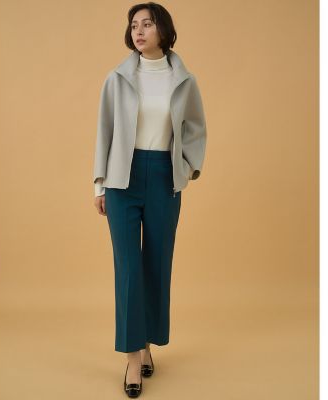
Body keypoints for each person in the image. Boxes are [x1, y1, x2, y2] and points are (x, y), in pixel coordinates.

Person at [93, 2, 207, 397]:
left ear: (164, 30)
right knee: (128, 268)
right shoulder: (117, 79)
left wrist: (186, 168)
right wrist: (99, 184)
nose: (138, 31)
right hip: (121, 180)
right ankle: (132, 358)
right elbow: (105, 131)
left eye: (147, 24)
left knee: (157, 263)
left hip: (163, 178)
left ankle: (147, 344)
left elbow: (195, 128)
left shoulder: (184, 80)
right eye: (133, 25)